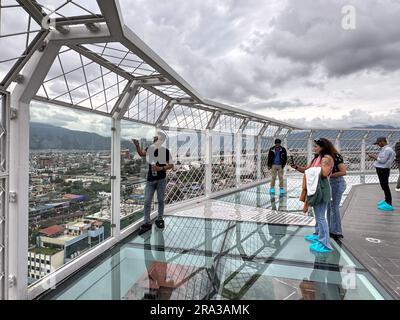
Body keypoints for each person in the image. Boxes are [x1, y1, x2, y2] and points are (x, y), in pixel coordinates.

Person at [291, 138, 335, 253]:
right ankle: (321, 238)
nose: (314, 148)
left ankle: (325, 243)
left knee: (321, 217)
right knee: (319, 216)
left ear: (322, 147)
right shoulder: (318, 158)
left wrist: (314, 169)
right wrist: (296, 167)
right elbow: (307, 170)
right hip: (316, 189)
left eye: (316, 146)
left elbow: (324, 173)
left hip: (322, 189)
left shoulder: (327, 158)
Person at [133, 131, 174, 235]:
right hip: (150, 180)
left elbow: (171, 165)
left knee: (160, 200)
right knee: (147, 201)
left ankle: (160, 219)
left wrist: (161, 168)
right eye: (154, 140)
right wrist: (137, 146)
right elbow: (141, 153)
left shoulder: (165, 151)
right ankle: (147, 223)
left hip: (161, 180)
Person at [367, 137, 396, 211]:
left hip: (383, 170)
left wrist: (374, 156)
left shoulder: (387, 150)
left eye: (378, 143)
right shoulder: (386, 149)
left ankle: (389, 203)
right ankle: (386, 201)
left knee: (385, 186)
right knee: (384, 186)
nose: (378, 145)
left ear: (383, 141)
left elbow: (382, 161)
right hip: (382, 169)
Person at [327, 150, 347, 240]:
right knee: (329, 207)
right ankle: (331, 229)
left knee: (334, 207)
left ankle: (337, 231)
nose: (314, 148)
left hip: (336, 183)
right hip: (330, 183)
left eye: (316, 146)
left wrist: (329, 175)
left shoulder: (335, 156)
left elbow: (343, 171)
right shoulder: (323, 157)